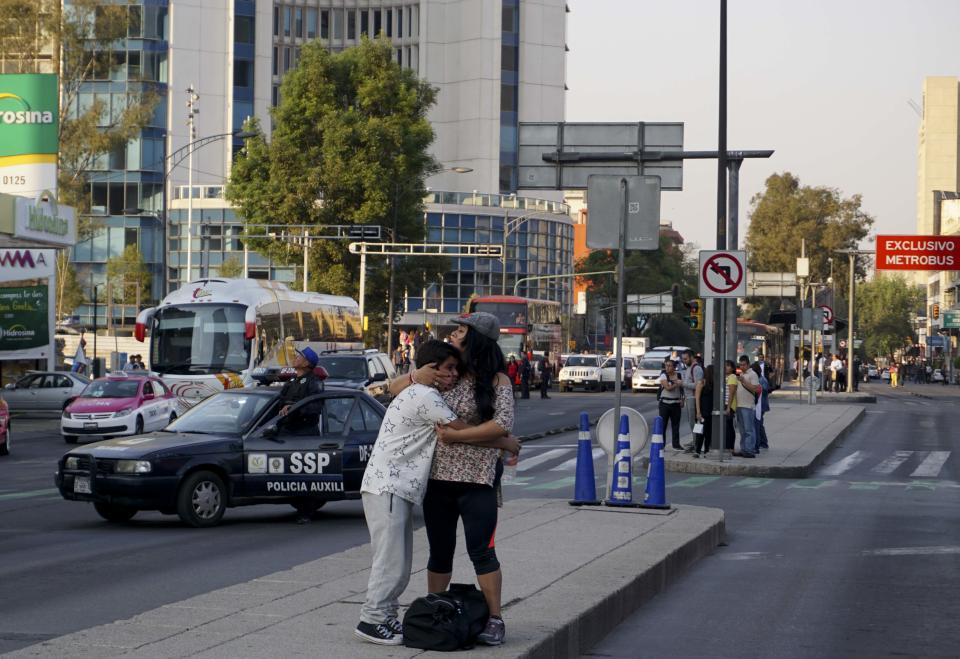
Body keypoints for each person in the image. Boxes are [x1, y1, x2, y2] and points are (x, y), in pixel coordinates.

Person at [355, 341, 519, 646]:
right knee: (392, 560)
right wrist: (505, 443)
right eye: (448, 368)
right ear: (431, 369)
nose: (454, 374)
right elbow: (451, 434)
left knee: (399, 560)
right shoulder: (426, 396)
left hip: (398, 486)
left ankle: (386, 616)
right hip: (389, 484)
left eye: (457, 368)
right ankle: (372, 618)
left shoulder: (426, 390)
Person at [278, 347, 323, 417]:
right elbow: (280, 399)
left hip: (303, 427)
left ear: (306, 363)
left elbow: (316, 407)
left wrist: (294, 407)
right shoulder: (292, 379)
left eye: (299, 356)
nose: (296, 357)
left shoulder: (314, 382)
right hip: (286, 425)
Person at [733, 355, 760, 458]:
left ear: (748, 364)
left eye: (744, 365)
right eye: (740, 365)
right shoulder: (741, 374)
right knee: (742, 430)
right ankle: (744, 449)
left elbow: (755, 389)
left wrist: (744, 381)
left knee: (749, 430)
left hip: (748, 406)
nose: (742, 367)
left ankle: (750, 450)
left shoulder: (753, 374)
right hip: (739, 405)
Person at [656, 359, 684, 450]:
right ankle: (661, 444)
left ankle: (676, 444)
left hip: (676, 403)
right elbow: (668, 388)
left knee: (676, 425)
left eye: (669, 366)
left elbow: (682, 389)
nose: (667, 367)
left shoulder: (679, 375)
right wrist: (676, 383)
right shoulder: (663, 375)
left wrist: (682, 399)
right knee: (663, 425)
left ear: (674, 367)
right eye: (666, 365)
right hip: (664, 404)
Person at [680, 349, 704, 452]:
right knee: (692, 422)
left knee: (694, 423)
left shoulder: (696, 368)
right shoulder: (689, 368)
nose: (684, 361)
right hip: (689, 398)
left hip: (694, 398)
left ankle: (696, 444)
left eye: (685, 359)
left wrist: (682, 383)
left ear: (691, 357)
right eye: (683, 359)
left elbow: (698, 385)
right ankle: (695, 442)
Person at [693, 364, 714, 458]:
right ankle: (697, 450)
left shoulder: (713, 384)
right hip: (702, 411)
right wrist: (698, 412)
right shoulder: (701, 382)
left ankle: (706, 450)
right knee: (700, 431)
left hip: (710, 411)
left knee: (708, 432)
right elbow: (697, 397)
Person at [752, 362, 771, 450]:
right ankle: (763, 442)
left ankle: (762, 442)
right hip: (760, 404)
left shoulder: (761, 379)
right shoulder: (760, 379)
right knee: (759, 424)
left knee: (759, 424)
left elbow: (764, 390)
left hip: (761, 405)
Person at [723, 360, 738, 454]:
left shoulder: (732, 377)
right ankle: (726, 446)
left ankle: (730, 447)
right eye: (724, 366)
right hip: (723, 404)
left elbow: (731, 393)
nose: (726, 367)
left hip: (729, 405)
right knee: (725, 427)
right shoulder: (725, 377)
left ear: (732, 368)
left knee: (729, 427)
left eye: (728, 366)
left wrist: (728, 407)